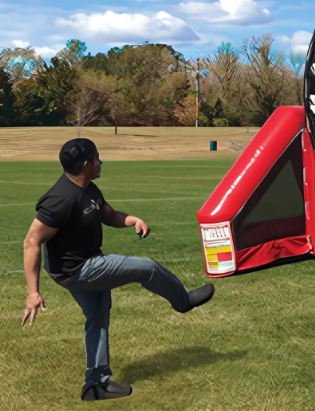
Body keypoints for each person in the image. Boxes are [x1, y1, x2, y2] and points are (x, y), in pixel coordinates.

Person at [22, 138, 215, 402]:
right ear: (88, 163)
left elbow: (108, 215)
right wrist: (33, 293)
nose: (102, 161)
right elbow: (32, 241)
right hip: (78, 269)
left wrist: (132, 219)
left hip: (85, 263)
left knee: (98, 317)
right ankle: (183, 300)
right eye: (98, 157)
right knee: (145, 268)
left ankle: (96, 385)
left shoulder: (88, 188)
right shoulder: (59, 199)